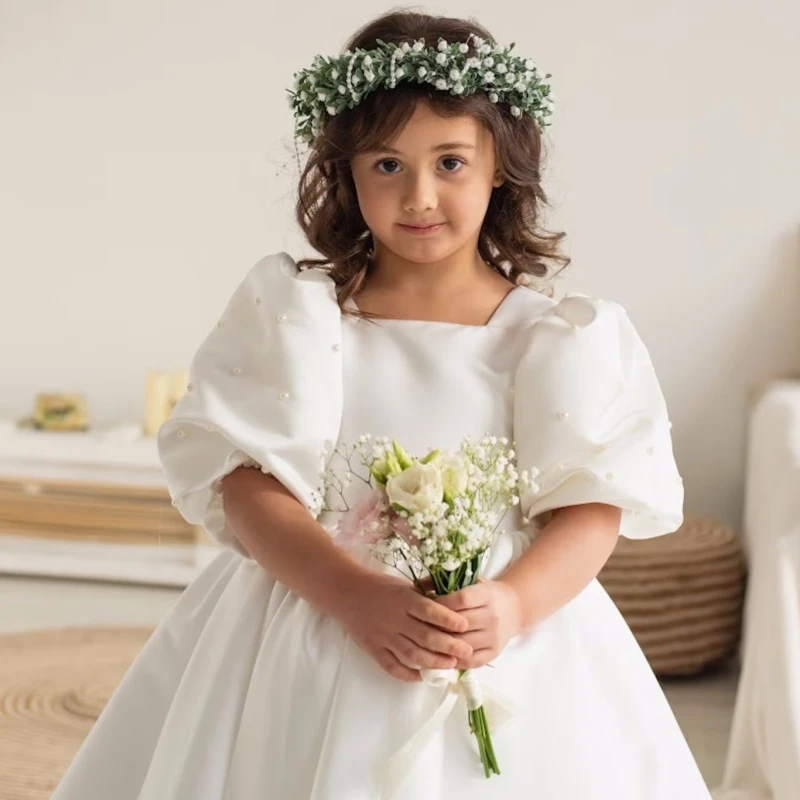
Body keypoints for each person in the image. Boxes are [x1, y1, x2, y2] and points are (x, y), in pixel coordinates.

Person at [52, 10, 711, 800]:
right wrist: (353, 595)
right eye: (387, 165)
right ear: (347, 172)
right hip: (312, 611)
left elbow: (590, 506)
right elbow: (247, 482)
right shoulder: (304, 318)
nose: (420, 194)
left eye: (450, 162)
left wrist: (512, 603)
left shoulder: (557, 337)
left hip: (498, 627)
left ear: (500, 162)